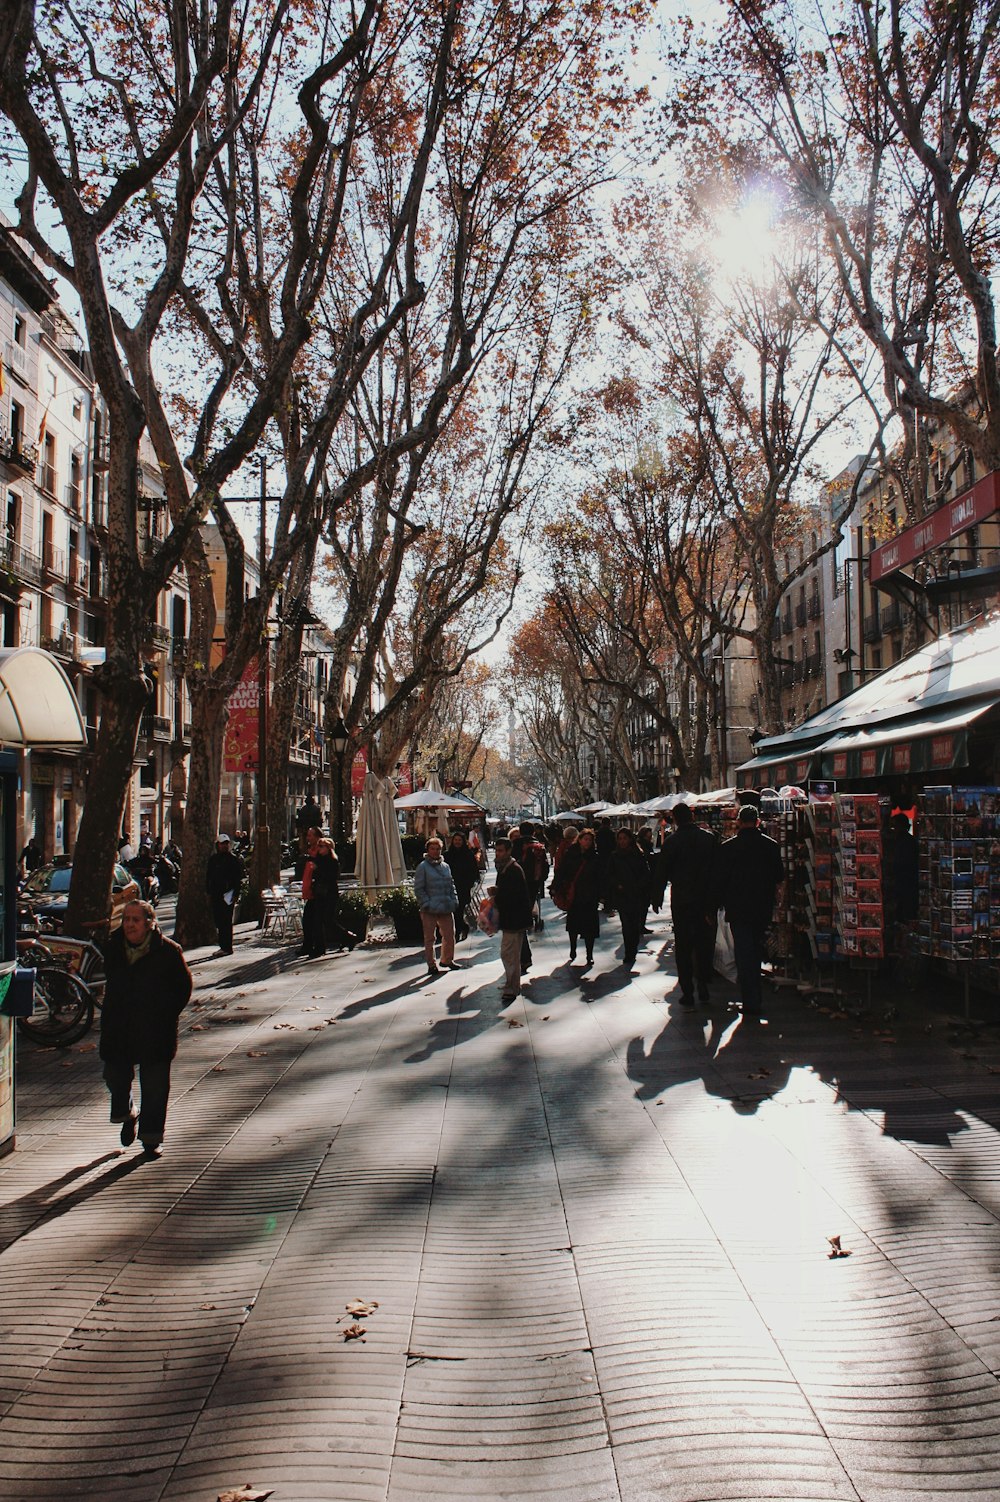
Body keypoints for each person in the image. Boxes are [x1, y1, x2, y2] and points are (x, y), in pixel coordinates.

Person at [99, 899, 193, 1157]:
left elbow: (183, 987)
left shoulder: (169, 952)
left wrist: (165, 1013)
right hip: (119, 1028)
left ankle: (151, 1138)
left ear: (150, 923)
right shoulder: (113, 948)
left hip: (155, 1030)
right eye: (126, 919)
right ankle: (127, 1113)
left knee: (155, 1086)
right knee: (115, 1077)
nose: (129, 925)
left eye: (135, 920)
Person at [716, 804, 785, 1016]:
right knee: (755, 949)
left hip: (737, 908)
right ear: (758, 822)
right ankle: (755, 996)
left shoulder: (728, 848)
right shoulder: (771, 846)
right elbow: (778, 876)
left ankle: (750, 999)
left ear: (738, 821)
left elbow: (721, 880)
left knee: (744, 952)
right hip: (761, 906)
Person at [654, 802, 719, 1008]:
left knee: (683, 944)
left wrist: (656, 897)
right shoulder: (709, 839)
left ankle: (687, 990)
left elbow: (661, 873)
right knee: (704, 943)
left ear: (674, 819)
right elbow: (719, 870)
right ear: (691, 816)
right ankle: (703, 984)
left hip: (682, 899)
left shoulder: (672, 842)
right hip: (705, 899)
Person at [301, 836, 356, 956]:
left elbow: (331, 877)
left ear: (328, 848)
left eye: (322, 846)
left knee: (327, 920)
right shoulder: (318, 860)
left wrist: (318, 869)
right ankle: (321, 947)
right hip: (319, 894)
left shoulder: (333, 861)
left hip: (329, 894)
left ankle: (348, 937)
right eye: (319, 846)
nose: (319, 848)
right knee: (318, 921)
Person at [493, 836, 533, 1000]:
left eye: (501, 850)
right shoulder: (504, 868)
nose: (498, 853)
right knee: (511, 953)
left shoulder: (513, 869)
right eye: (496, 850)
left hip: (514, 919)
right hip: (511, 918)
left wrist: (497, 895)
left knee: (509, 953)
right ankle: (512, 984)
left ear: (509, 851)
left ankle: (512, 986)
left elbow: (514, 896)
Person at [605, 827, 650, 968]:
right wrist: (617, 885)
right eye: (620, 838)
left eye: (625, 838)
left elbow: (646, 873)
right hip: (622, 895)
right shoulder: (614, 856)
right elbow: (609, 875)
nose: (622, 841)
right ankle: (629, 952)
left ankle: (633, 948)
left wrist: (639, 885)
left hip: (636, 894)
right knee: (626, 924)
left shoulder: (639, 855)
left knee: (635, 925)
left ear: (630, 839)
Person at [413, 836, 459, 974]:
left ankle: (447, 959)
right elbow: (419, 888)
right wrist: (426, 903)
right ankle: (431, 964)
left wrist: (453, 899)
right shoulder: (422, 867)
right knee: (430, 937)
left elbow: (451, 884)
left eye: (438, 848)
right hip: (429, 908)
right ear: (428, 850)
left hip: (445, 905)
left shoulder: (446, 866)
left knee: (450, 934)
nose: (435, 851)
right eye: (432, 849)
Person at [560, 826, 601, 965]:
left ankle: (589, 954)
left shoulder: (595, 857)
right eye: (585, 839)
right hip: (575, 895)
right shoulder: (571, 854)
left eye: (590, 840)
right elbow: (563, 872)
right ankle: (573, 949)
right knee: (574, 926)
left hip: (590, 896)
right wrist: (557, 888)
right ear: (580, 840)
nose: (587, 842)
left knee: (590, 928)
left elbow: (600, 875)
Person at [205, 832, 244, 955]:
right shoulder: (213, 860)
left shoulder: (233, 860)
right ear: (218, 845)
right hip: (216, 894)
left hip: (228, 895)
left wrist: (236, 893)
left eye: (226, 844)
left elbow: (238, 878)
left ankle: (227, 947)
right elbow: (209, 876)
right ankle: (223, 946)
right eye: (222, 844)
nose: (224, 846)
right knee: (219, 921)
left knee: (226, 921)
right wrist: (208, 891)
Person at [444, 830, 480, 942]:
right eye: (455, 840)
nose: (457, 842)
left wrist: (468, 884)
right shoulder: (447, 855)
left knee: (459, 910)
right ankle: (463, 927)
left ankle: (458, 931)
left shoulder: (468, 855)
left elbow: (474, 872)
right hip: (450, 887)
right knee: (454, 911)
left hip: (463, 887)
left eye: (459, 840)